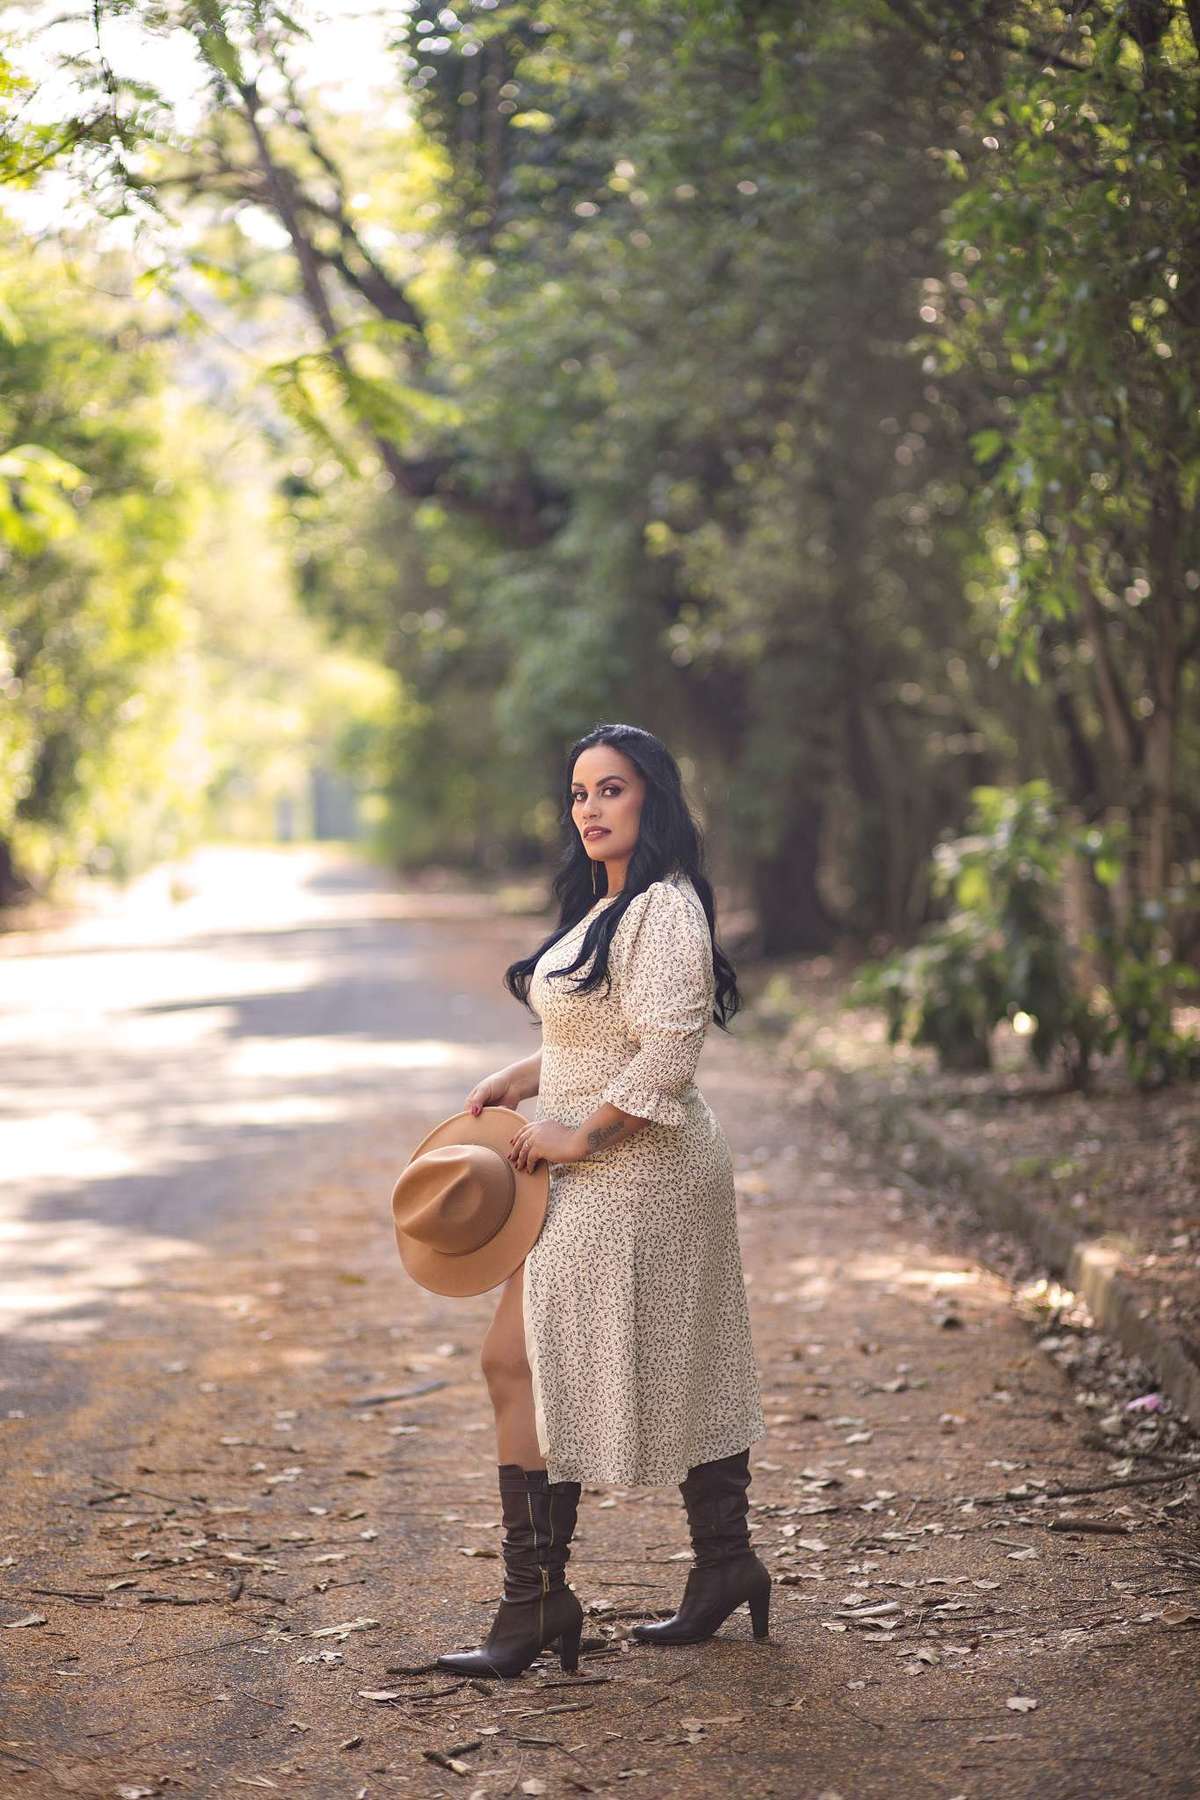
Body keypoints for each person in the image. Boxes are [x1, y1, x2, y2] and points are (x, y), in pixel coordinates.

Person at [435, 722, 768, 1679]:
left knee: (542, 1356)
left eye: (611, 790)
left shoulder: (666, 908)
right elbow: (598, 1038)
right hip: (585, 1167)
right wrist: (520, 1078)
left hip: (641, 1169)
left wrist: (578, 1134)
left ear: (651, 799)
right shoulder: (606, 908)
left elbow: (668, 1046)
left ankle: (541, 1604)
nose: (590, 808)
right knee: (541, 1359)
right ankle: (716, 1566)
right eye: (579, 792)